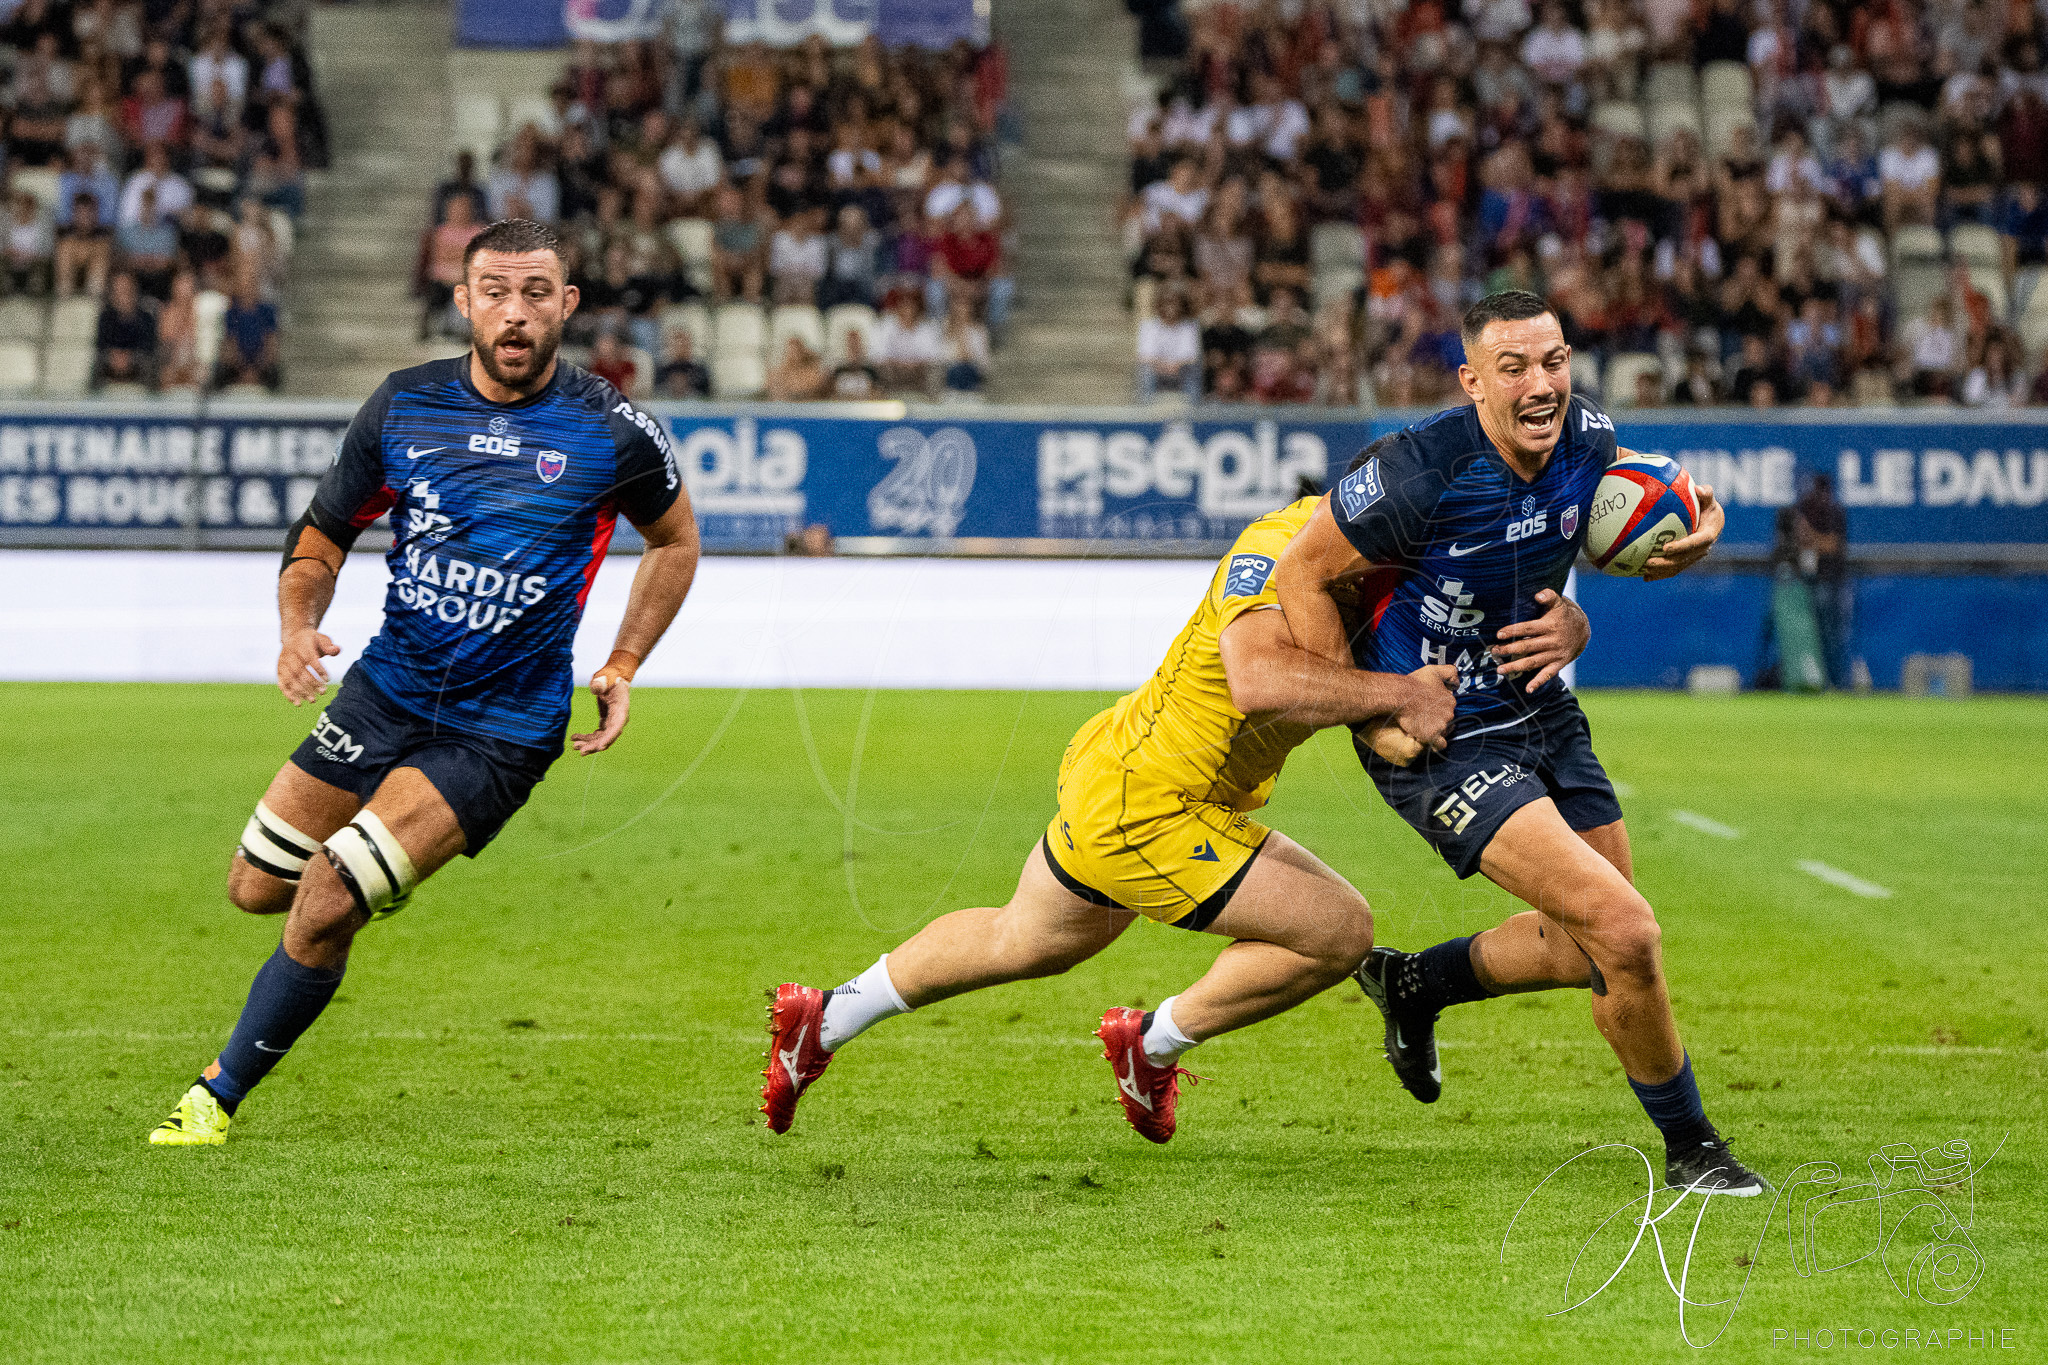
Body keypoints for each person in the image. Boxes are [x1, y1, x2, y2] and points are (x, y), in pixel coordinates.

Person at [148, 218, 702, 1146]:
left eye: (536, 293)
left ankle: (214, 1094)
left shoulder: (612, 430)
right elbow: (323, 534)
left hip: (500, 727)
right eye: (496, 292)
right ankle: (384, 873)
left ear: (568, 304)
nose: (515, 313)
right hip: (384, 692)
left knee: (327, 895)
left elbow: (675, 539)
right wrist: (296, 626)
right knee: (255, 887)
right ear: (463, 301)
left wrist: (624, 660)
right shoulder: (405, 405)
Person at [761, 493, 1525, 1143]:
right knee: (1339, 931)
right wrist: (1397, 696)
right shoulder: (1277, 552)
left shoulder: (1365, 560)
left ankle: (824, 1017)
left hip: (1129, 776)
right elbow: (1259, 675)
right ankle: (1151, 1043)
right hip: (1154, 808)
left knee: (1021, 937)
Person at [1271, 290, 1766, 1198]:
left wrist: (1692, 540)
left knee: (1584, 950)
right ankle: (1694, 1147)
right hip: (1439, 730)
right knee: (1625, 929)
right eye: (1514, 368)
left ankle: (1415, 984)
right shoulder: (1419, 470)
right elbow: (1303, 572)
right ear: (1472, 381)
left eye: (1554, 361)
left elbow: (1678, 500)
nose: (1542, 385)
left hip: (1538, 703)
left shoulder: (1587, 436)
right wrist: (1368, 711)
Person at [1794, 471, 1850, 686]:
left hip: (1832, 580)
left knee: (1832, 637)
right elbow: (1800, 543)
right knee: (1812, 635)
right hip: (1810, 580)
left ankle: (1836, 682)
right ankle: (1818, 680)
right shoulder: (1806, 510)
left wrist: (1810, 536)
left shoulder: (1834, 512)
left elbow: (1832, 545)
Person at [92, 270, 157, 388]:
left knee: (149, 363)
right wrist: (113, 355)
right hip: (110, 364)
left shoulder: (146, 317)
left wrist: (129, 357)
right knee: (96, 361)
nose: (122, 294)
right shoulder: (105, 317)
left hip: (137, 364)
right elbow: (101, 345)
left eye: (126, 289)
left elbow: (148, 347)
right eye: (118, 289)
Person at [216, 280, 281, 390]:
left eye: (251, 286)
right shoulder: (231, 313)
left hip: (261, 365)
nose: (248, 290)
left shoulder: (267, 311)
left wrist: (257, 369)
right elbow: (230, 344)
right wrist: (243, 369)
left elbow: (271, 343)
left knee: (274, 372)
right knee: (221, 370)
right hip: (237, 366)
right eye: (244, 286)